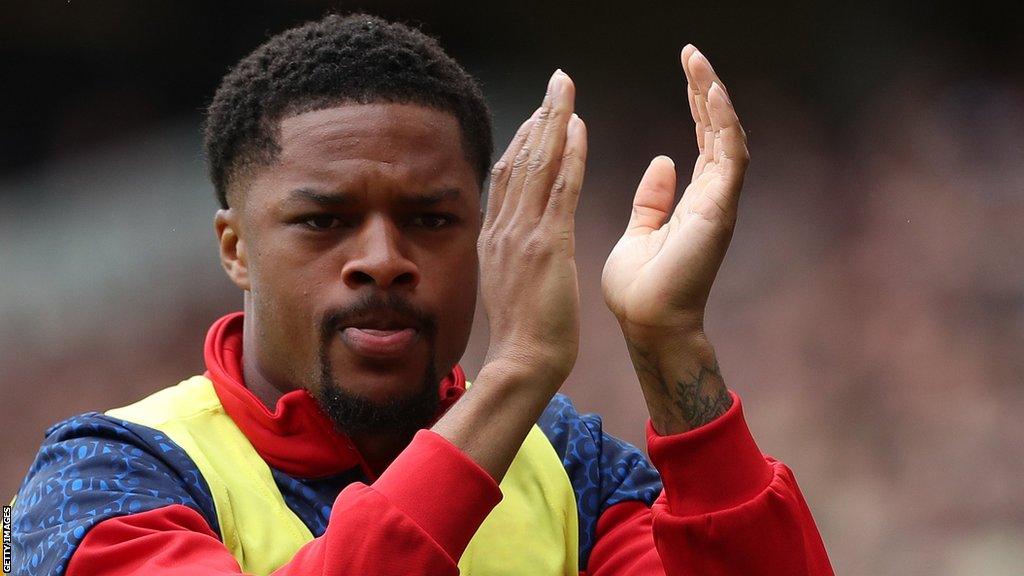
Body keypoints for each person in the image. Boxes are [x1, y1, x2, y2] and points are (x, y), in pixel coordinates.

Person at [10, 13, 833, 576]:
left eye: (431, 219)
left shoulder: (568, 468)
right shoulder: (102, 478)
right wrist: (515, 374)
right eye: (325, 221)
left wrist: (670, 343)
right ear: (237, 250)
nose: (382, 260)